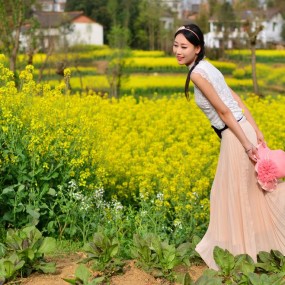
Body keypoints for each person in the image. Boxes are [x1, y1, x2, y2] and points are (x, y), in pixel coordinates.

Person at [173, 23, 285, 270]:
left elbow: (225, 110)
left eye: (184, 46)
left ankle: (238, 254)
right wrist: (255, 130)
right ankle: (252, 250)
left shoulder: (198, 74)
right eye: (175, 45)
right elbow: (236, 99)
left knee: (227, 194)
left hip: (235, 136)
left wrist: (246, 143)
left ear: (197, 48)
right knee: (252, 193)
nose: (178, 51)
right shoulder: (207, 66)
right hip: (242, 129)